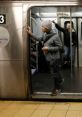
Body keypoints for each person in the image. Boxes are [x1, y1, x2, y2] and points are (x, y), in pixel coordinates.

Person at [26, 20, 64, 95]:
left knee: (54, 73)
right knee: (56, 71)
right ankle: (60, 80)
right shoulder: (45, 34)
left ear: (47, 28)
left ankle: (57, 89)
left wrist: (48, 48)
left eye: (42, 26)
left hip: (54, 58)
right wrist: (31, 34)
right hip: (49, 57)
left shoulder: (55, 36)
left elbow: (60, 47)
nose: (41, 28)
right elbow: (40, 39)